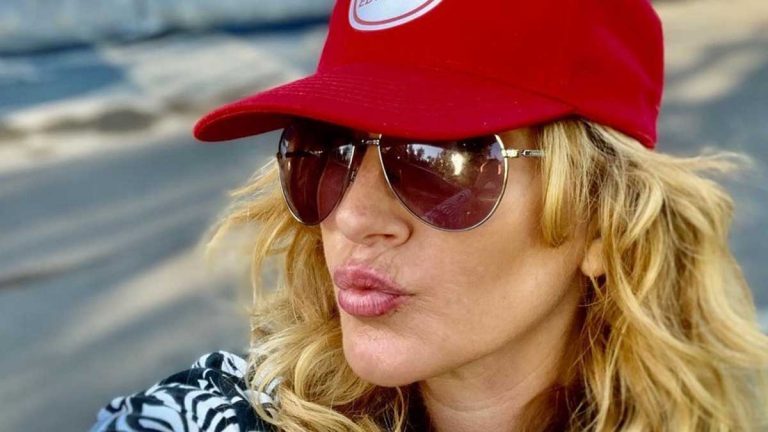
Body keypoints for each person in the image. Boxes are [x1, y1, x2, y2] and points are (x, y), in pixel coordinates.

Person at [90, 0, 768, 431]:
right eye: (326, 150)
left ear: (601, 216)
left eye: (439, 160)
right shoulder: (201, 417)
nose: (352, 217)